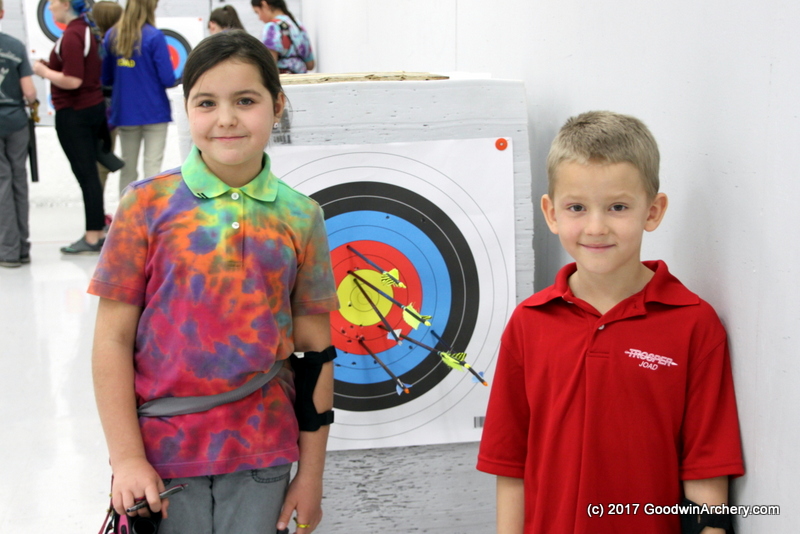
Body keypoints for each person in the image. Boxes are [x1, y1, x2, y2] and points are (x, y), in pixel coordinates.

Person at [89, 31, 340, 534]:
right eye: (207, 103)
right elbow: (112, 340)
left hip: (263, 454)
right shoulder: (145, 207)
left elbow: (315, 353)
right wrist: (126, 459)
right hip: (161, 458)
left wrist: (310, 476)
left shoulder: (300, 216)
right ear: (187, 110)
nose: (226, 118)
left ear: (277, 106)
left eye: (245, 101)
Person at [477, 111, 744, 534]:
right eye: (576, 208)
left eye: (617, 207)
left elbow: (706, 470)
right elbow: (510, 467)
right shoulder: (528, 324)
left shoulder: (694, 326)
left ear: (652, 212)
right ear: (550, 213)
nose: (596, 227)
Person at [33, 0, 107, 254]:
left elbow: (73, 80)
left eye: (53, 2)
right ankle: (95, 232)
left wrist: (43, 70)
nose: (50, 7)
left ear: (65, 4)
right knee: (90, 176)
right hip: (89, 109)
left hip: (75, 112)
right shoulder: (84, 30)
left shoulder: (74, 34)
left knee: (87, 176)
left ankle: (92, 236)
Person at [102, 0, 175, 195]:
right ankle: (152, 219)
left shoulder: (112, 35)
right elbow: (167, 78)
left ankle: (126, 220)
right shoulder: (154, 36)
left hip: (125, 112)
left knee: (127, 167)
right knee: (153, 168)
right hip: (155, 111)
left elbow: (106, 77)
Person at [0, 0, 37, 268]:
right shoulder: (15, 46)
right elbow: (30, 92)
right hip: (16, 122)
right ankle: (23, 247)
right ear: (2, 13)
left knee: (1, 185)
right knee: (18, 182)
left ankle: (8, 251)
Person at [92, 0, 123, 194]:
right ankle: (97, 213)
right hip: (106, 111)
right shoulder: (104, 46)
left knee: (100, 160)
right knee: (101, 161)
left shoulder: (102, 44)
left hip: (103, 110)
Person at [251, 0, 315, 74]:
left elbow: (269, 64)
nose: (259, 18)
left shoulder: (271, 27)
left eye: (257, 12)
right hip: (302, 80)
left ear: (264, 4)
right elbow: (310, 65)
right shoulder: (298, 25)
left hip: (283, 81)